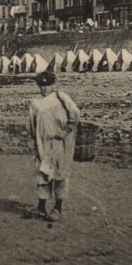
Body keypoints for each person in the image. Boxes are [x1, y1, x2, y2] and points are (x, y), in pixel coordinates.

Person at [28, 71, 81, 222]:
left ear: (54, 84)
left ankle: (58, 207)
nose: (44, 88)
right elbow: (32, 124)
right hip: (42, 142)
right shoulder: (35, 102)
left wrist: (65, 131)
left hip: (61, 142)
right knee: (43, 173)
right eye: (41, 85)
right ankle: (41, 207)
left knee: (60, 173)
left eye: (48, 85)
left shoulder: (61, 97)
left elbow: (75, 114)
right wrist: (34, 139)